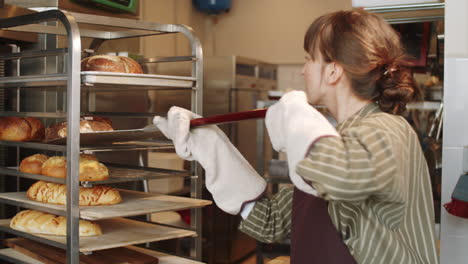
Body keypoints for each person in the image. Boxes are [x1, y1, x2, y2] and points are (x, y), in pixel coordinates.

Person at [154, 9, 438, 264]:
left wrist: (296, 116)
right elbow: (270, 221)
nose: (303, 70)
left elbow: (339, 175)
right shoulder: (333, 141)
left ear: (334, 70)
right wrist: (211, 145)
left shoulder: (388, 130)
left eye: (309, 59)